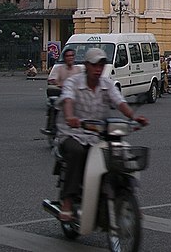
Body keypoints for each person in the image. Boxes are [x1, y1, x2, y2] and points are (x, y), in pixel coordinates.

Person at [56, 48, 148, 220]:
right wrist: (70, 117)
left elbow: (120, 102)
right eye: (94, 65)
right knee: (77, 152)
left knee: (121, 153)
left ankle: (129, 198)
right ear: (86, 66)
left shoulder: (107, 84)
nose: (98, 69)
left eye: (101, 65)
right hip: (72, 133)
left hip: (98, 134)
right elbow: (68, 99)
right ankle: (67, 200)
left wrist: (134, 117)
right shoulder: (73, 82)